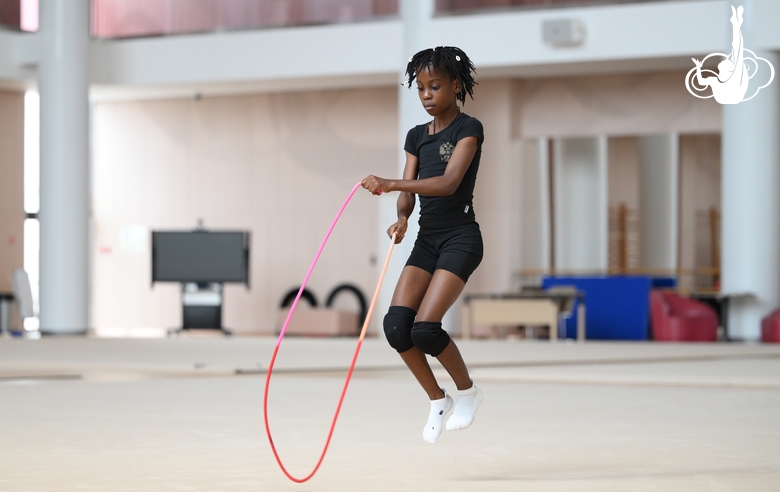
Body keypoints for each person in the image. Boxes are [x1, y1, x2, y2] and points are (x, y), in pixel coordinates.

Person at [361, 46, 484, 444]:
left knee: (427, 328)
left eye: (435, 86)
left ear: (454, 85)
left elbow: (448, 183)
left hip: (461, 238)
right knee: (397, 328)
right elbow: (408, 190)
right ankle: (437, 399)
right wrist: (401, 215)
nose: (427, 94)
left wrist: (393, 183)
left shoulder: (469, 129)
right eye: (420, 89)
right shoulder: (416, 136)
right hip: (426, 239)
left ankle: (467, 392)